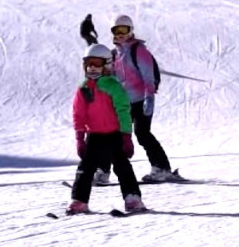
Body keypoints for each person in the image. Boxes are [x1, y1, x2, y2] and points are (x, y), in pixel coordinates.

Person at [98, 14, 178, 184]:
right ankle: (102, 171)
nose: (120, 34)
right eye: (116, 30)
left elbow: (148, 76)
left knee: (142, 133)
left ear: (131, 30)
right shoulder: (114, 54)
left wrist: (149, 97)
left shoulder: (139, 51)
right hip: (122, 102)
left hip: (141, 100)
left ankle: (161, 168)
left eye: (124, 30)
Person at [68, 44, 144, 214]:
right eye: (88, 64)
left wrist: (126, 136)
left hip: (114, 134)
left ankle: (132, 198)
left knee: (122, 166)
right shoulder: (83, 88)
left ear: (107, 65)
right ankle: (79, 200)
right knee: (85, 168)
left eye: (96, 63)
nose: (92, 68)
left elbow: (123, 111)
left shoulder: (113, 86)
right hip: (94, 135)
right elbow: (78, 114)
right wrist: (80, 137)